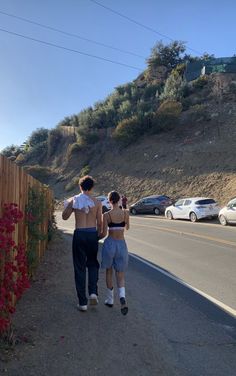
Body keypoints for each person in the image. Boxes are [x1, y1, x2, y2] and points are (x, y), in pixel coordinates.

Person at [62, 175, 102, 312]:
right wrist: (98, 236)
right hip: (92, 234)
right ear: (92, 187)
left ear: (80, 187)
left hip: (79, 233)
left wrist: (71, 205)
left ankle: (82, 302)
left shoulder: (75, 200)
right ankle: (93, 292)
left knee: (79, 267)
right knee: (92, 263)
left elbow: (64, 217)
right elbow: (100, 224)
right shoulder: (97, 202)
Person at [100, 191, 129, 315]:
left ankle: (110, 299)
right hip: (121, 244)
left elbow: (104, 233)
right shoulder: (125, 213)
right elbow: (127, 227)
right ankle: (122, 296)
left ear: (109, 200)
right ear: (118, 200)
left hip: (110, 243)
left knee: (109, 271)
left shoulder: (106, 215)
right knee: (120, 274)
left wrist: (95, 238)